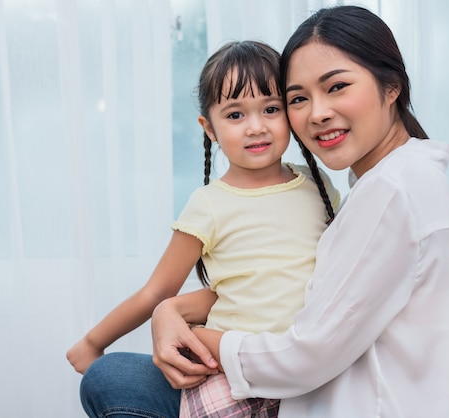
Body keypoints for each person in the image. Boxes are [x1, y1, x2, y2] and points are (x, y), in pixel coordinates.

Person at [80, 5, 449, 418]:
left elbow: (305, 355)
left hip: (315, 390)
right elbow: (273, 278)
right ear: (208, 127)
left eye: (336, 87)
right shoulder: (381, 184)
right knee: (111, 376)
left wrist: (200, 334)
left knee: (111, 379)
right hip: (294, 380)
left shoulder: (391, 190)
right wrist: (169, 310)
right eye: (299, 98)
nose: (316, 113)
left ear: (393, 86)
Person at [75, 40, 339, 417]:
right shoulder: (209, 205)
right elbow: (156, 292)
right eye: (235, 115)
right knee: (109, 378)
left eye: (271, 109)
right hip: (231, 368)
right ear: (209, 128)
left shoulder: (318, 186)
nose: (256, 127)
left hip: (304, 368)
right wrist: (91, 342)